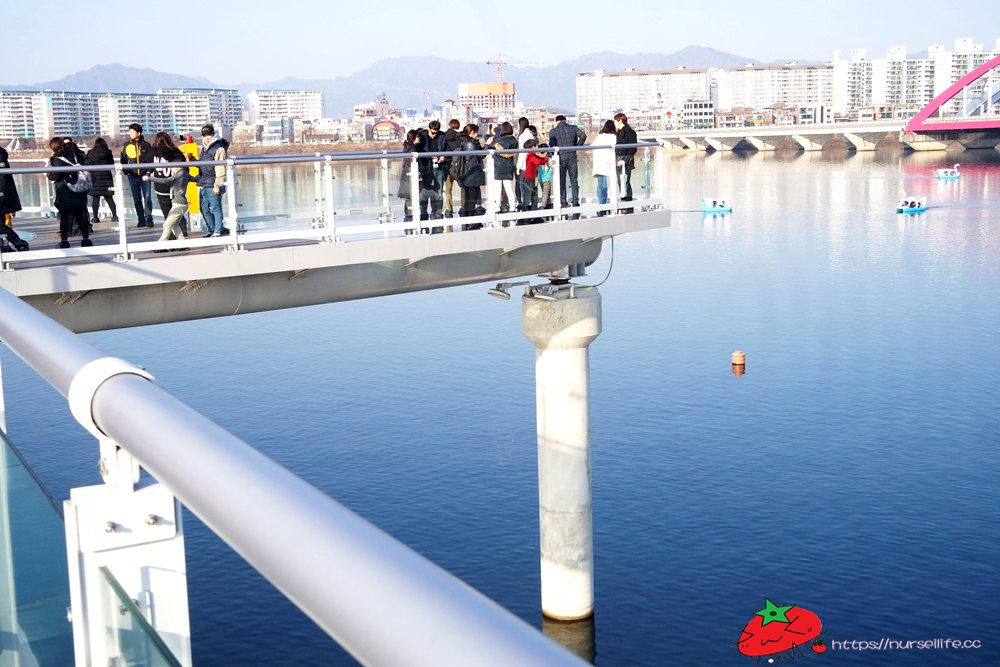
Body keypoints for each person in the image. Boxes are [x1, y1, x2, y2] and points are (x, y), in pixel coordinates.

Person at [47, 137, 92, 248]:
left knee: (65, 218)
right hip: (79, 190)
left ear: (53, 147)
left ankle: (64, 241)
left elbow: (54, 176)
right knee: (81, 216)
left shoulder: (58, 158)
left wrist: (48, 172)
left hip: (65, 191)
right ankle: (86, 240)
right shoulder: (76, 155)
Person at [151, 132, 188, 237]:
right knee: (178, 214)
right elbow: (185, 168)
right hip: (176, 187)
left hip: (160, 187)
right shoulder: (176, 151)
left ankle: (172, 236)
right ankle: (183, 234)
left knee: (167, 213)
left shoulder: (153, 152)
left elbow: (146, 166)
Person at [548, 115, 587, 212]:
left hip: (560, 158)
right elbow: (583, 136)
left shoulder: (553, 131)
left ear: (557, 121)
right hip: (572, 156)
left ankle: (563, 202)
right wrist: (577, 147)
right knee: (574, 180)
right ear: (565, 120)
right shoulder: (573, 128)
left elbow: (552, 145)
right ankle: (575, 201)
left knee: (562, 181)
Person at [151, 156, 191, 251]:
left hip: (179, 204)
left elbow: (165, 181)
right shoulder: (184, 174)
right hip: (179, 203)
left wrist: (150, 178)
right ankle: (182, 242)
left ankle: (161, 244)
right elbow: (194, 178)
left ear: (178, 167)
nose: (171, 169)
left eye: (172, 167)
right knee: (174, 224)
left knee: (167, 224)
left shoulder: (178, 176)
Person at [197, 124, 229, 237]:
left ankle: (217, 231)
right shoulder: (204, 148)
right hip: (204, 182)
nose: (206, 137)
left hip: (213, 183)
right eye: (204, 135)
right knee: (203, 208)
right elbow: (202, 164)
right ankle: (211, 230)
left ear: (213, 134)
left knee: (216, 208)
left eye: (209, 135)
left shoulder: (219, 148)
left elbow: (220, 168)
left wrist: (217, 185)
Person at [120, 123, 154, 228]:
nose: (130, 134)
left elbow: (151, 160)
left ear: (139, 133)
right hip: (132, 175)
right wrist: (126, 171)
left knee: (147, 197)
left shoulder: (146, 145)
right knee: (137, 198)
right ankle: (141, 219)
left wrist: (149, 171)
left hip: (145, 175)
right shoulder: (126, 145)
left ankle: (149, 218)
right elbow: (123, 159)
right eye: (129, 132)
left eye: (133, 132)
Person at [0, 146, 29, 250]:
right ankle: (10, 245)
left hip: (2, 194)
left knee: (1, 226)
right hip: (3, 193)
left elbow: (4, 177)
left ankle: (19, 244)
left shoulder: (0, 155)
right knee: (1, 225)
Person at [85, 137, 118, 226]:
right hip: (107, 177)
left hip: (95, 178)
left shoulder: (91, 152)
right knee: (109, 198)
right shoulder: (108, 152)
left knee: (95, 198)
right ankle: (114, 216)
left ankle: (95, 217)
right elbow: (111, 164)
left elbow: (87, 164)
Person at [457, 123, 485, 226]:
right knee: (471, 198)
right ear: (472, 132)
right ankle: (471, 221)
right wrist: (487, 145)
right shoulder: (470, 144)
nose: (477, 134)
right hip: (472, 173)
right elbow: (481, 155)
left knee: (470, 198)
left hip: (469, 173)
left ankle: (470, 220)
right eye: (476, 131)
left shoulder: (466, 142)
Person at [423, 120, 449, 231]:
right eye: (433, 132)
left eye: (436, 132)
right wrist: (430, 156)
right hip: (427, 167)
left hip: (439, 167)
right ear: (429, 128)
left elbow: (447, 149)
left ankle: (437, 213)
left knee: (438, 191)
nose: (434, 134)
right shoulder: (423, 137)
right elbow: (422, 150)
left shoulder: (442, 136)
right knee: (425, 191)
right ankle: (423, 213)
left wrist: (443, 156)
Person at [490, 121, 518, 215]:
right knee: (509, 189)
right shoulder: (514, 140)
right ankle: (513, 207)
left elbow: (488, 146)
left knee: (497, 189)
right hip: (508, 166)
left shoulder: (498, 140)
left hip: (498, 167)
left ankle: (497, 208)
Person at [397, 129, 423, 227]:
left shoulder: (408, 147)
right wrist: (419, 175)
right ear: (413, 138)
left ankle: (409, 216)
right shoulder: (412, 149)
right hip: (411, 175)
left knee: (409, 197)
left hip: (407, 175)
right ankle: (411, 216)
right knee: (411, 196)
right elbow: (412, 163)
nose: (419, 138)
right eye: (418, 137)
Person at [591, 120, 618, 214]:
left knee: (600, 184)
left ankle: (601, 205)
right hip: (607, 162)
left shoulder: (599, 136)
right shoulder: (613, 136)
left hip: (598, 161)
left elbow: (593, 146)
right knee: (605, 185)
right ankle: (604, 206)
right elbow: (614, 148)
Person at [614, 113, 638, 203]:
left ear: (620, 121)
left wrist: (624, 160)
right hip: (619, 159)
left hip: (625, 160)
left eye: (615, 121)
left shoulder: (630, 133)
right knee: (621, 181)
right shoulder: (618, 133)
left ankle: (627, 201)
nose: (614, 124)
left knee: (625, 181)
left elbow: (633, 148)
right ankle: (625, 200)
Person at [442, 119, 462, 219]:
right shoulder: (459, 137)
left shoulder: (443, 136)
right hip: (458, 166)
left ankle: (449, 209)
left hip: (447, 166)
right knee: (463, 187)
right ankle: (464, 207)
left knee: (447, 189)